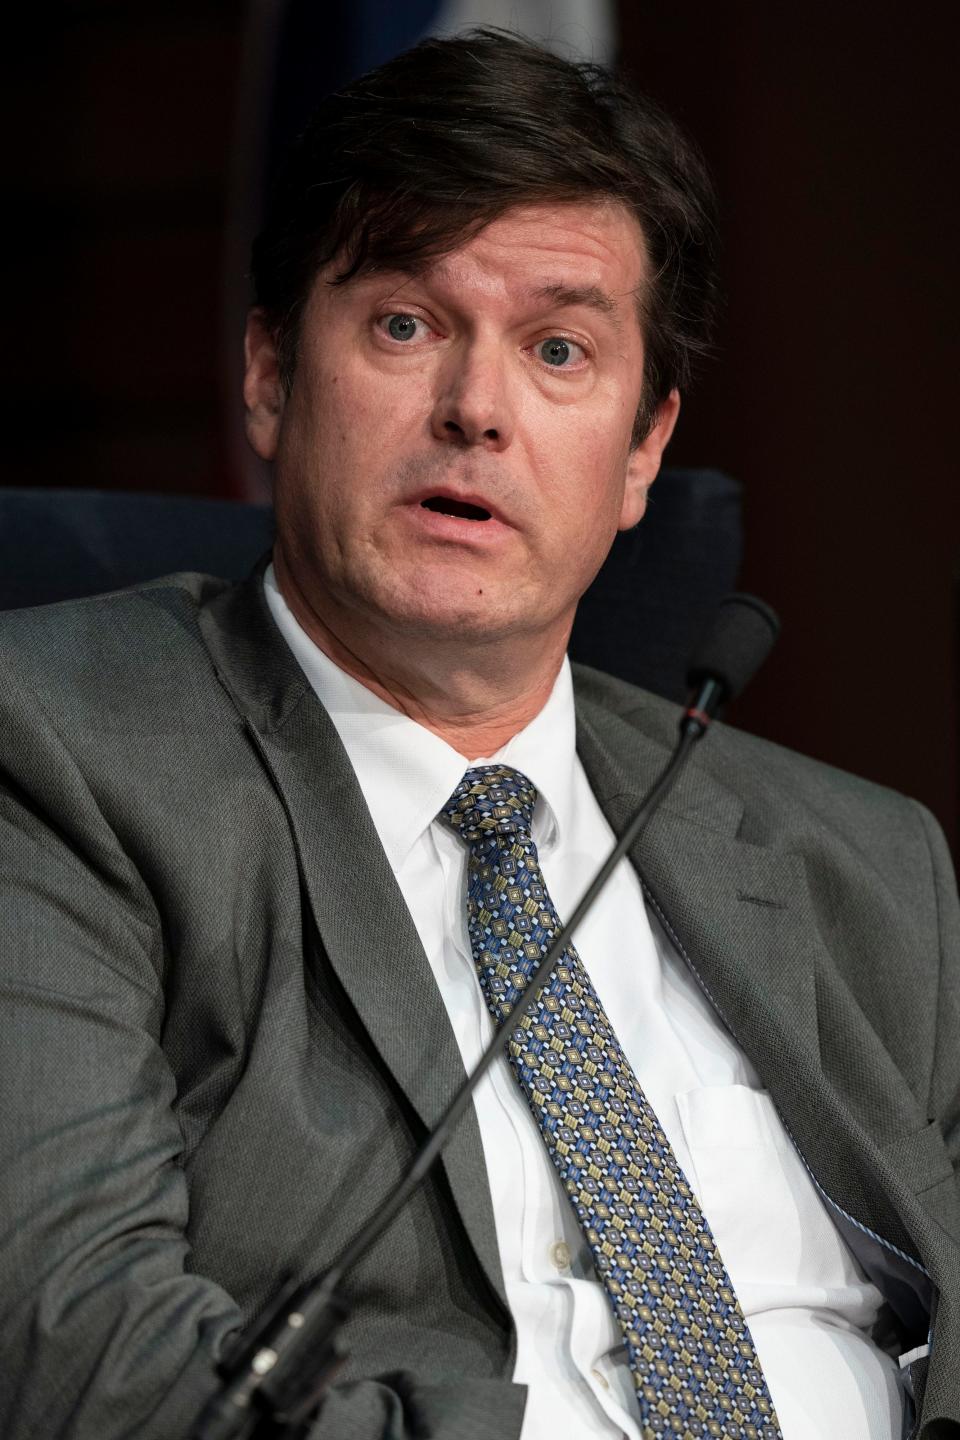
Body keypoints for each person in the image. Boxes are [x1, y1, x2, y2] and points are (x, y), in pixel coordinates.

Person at [0, 27, 957, 1440]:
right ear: (270, 374)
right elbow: (82, 1357)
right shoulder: (59, 749)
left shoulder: (870, 866)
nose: (476, 410)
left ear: (641, 452)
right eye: (405, 325)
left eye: (560, 349)